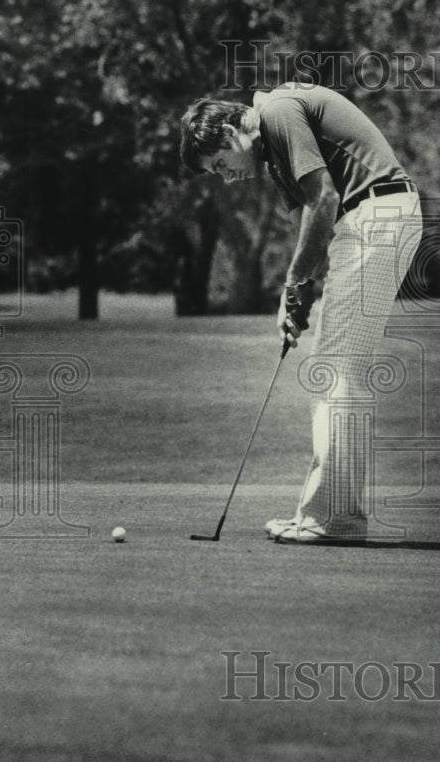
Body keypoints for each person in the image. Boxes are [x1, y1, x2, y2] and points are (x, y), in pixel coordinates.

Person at [180, 81, 422, 545]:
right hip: (371, 222)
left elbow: (325, 200)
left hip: (376, 215)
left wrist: (295, 282)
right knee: (335, 367)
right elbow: (306, 230)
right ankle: (333, 514)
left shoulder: (278, 111)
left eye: (220, 165)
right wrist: (292, 300)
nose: (227, 177)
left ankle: (331, 518)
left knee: (335, 370)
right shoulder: (274, 156)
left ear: (230, 133)